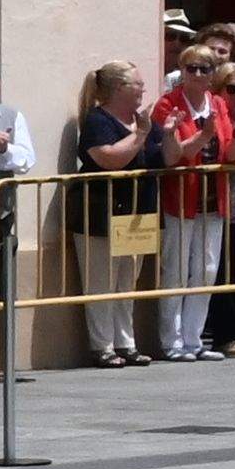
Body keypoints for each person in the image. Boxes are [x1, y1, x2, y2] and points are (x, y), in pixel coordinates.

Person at [70, 59, 155, 362]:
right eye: (138, 85)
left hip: (136, 212)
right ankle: (102, 346)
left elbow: (164, 157)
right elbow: (108, 158)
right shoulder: (97, 121)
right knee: (101, 281)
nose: (143, 90)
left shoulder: (140, 121)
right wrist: (141, 134)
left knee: (127, 281)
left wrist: (171, 135)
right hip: (101, 212)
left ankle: (126, 342)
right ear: (119, 88)